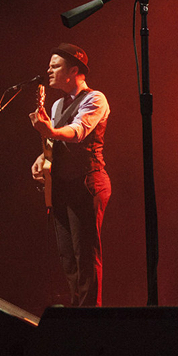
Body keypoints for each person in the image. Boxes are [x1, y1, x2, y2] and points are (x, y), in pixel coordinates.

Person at [30, 43, 111, 307]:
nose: (48, 71)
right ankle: (77, 315)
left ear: (73, 70)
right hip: (64, 185)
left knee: (85, 255)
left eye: (55, 66)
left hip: (88, 182)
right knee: (68, 258)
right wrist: (42, 159)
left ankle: (90, 319)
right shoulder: (56, 106)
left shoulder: (94, 98)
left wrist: (49, 132)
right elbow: (56, 146)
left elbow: (78, 132)